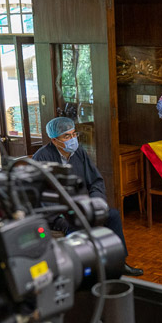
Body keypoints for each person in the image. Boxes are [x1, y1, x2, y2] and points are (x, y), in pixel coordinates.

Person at [32, 117, 143, 276]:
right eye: (67, 136)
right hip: (58, 214)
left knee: (112, 215)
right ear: (55, 140)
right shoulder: (42, 158)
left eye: (73, 134)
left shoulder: (79, 152)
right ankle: (83, 274)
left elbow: (96, 181)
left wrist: (97, 202)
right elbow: (41, 197)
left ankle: (119, 263)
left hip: (83, 207)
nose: (72, 139)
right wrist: (62, 215)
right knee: (76, 228)